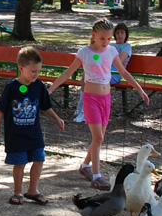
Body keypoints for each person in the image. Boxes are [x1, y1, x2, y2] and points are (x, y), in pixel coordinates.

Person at [48, 19, 148, 191]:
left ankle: (85, 165)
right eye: (103, 39)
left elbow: (123, 72)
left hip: (105, 98)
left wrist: (140, 89)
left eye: (109, 39)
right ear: (93, 35)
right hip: (91, 98)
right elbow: (69, 72)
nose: (106, 42)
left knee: (99, 137)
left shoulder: (111, 52)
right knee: (99, 138)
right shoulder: (84, 52)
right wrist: (50, 89)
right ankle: (97, 176)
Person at [0, 46, 66, 205]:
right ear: (21, 68)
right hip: (16, 134)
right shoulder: (11, 87)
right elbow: (0, 109)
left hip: (34, 132)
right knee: (20, 163)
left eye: (38, 71)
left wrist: (57, 119)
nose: (36, 74)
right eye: (33, 71)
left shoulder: (39, 86)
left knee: (39, 159)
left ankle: (33, 190)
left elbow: (46, 107)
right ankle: (17, 192)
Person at [73, 21, 133, 122]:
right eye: (117, 33)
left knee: (97, 78)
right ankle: (82, 107)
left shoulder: (126, 46)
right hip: (101, 70)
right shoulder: (110, 45)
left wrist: (103, 59)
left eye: (122, 32)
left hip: (114, 73)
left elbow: (119, 61)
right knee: (85, 75)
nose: (120, 35)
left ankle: (85, 110)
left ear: (126, 34)